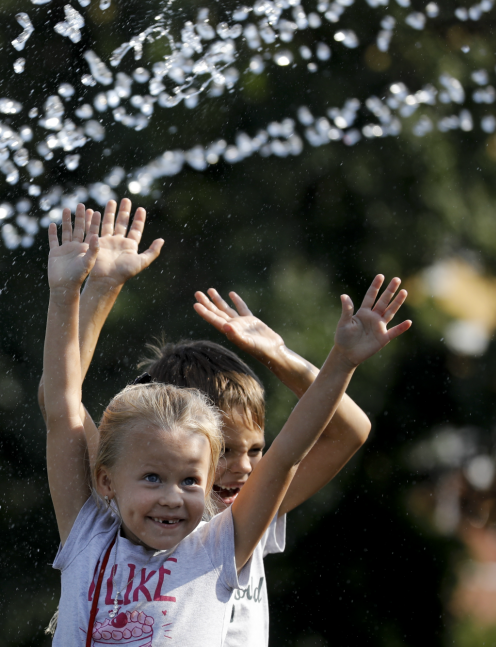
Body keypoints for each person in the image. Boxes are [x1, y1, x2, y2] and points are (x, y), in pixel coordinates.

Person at [41, 204, 410, 646]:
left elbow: (289, 453)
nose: (173, 496)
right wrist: (73, 290)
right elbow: (62, 405)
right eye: (155, 475)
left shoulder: (221, 541)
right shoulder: (91, 532)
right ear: (106, 479)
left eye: (191, 477)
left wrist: (338, 361)